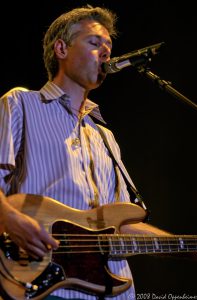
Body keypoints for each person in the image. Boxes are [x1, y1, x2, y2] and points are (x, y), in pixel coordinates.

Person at [0, 5, 172, 300]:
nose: (106, 52)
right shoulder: (21, 104)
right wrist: (12, 220)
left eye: (109, 46)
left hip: (112, 292)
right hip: (43, 287)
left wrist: (187, 247)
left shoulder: (105, 136)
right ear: (61, 49)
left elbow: (122, 225)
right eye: (95, 42)